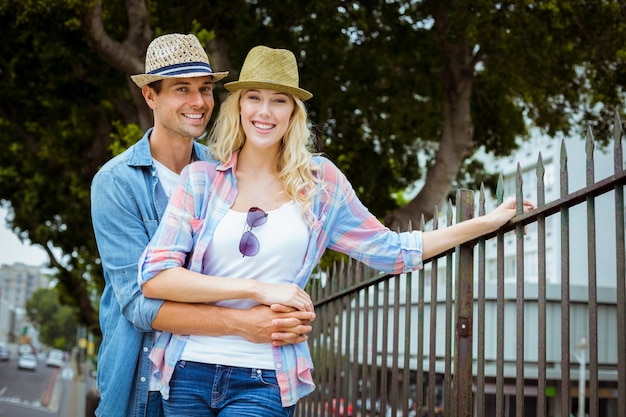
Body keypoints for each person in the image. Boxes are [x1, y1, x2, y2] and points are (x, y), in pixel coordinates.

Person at [137, 45, 535, 417]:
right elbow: (156, 277)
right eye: (255, 97)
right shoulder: (201, 180)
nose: (265, 111)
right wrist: (258, 290)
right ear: (239, 106)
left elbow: (393, 251)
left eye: (279, 100)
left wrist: (484, 223)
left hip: (263, 377)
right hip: (188, 368)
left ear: (293, 112)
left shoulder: (320, 184)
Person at [90, 35, 315, 417]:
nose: (198, 102)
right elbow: (139, 304)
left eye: (205, 89)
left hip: (213, 376)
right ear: (150, 96)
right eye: (182, 89)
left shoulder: (223, 172)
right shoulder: (116, 182)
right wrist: (246, 322)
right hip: (140, 385)